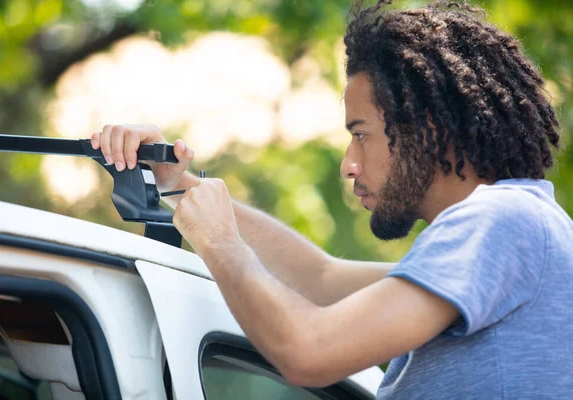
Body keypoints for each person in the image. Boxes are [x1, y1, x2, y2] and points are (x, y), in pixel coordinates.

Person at [91, 0, 572, 398]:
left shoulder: (501, 220)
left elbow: (309, 352)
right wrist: (180, 187)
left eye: (361, 135)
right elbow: (320, 280)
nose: (348, 164)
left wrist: (220, 245)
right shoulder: (515, 233)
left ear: (428, 130)